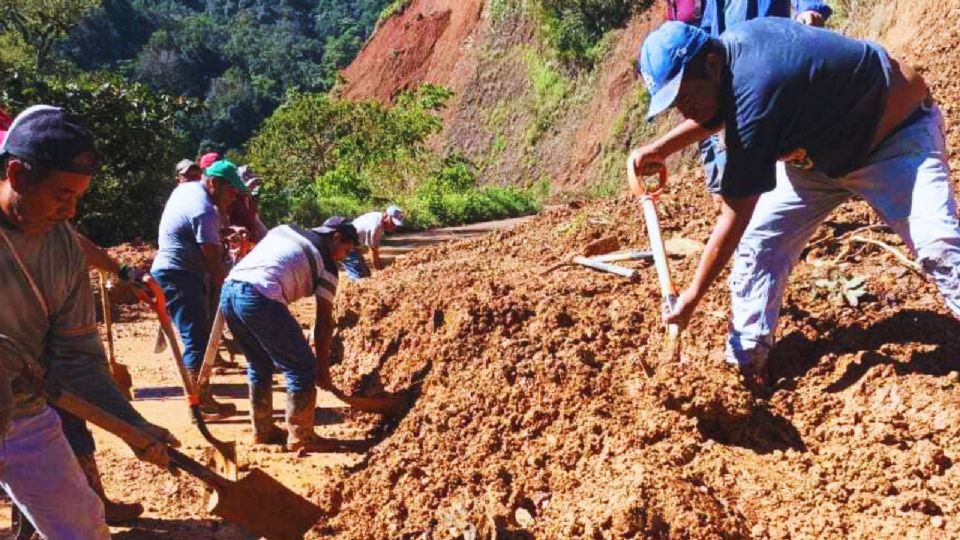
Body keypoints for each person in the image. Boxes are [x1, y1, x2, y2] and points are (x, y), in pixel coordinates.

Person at [630, 20, 948, 386]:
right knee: (761, 245)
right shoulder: (727, 63)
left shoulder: (758, 84)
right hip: (818, 163)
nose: (686, 112)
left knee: (938, 244)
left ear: (711, 65)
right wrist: (661, 149)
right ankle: (747, 366)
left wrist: (691, 297)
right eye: (677, 106)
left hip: (892, 138)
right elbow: (717, 111)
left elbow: (735, 215)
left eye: (686, 98)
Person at [0, 105, 177, 537]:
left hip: (21, 413)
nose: (70, 211)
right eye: (62, 194)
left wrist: (132, 426)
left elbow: (77, 359)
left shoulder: (63, 248)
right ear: (18, 175)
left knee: (82, 526)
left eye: (78, 197)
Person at [662, 0, 832, 196]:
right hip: (731, 83)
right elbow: (709, 29)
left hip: (768, 73)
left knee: (779, 153)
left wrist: (809, 8)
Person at [219, 217, 358, 451]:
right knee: (302, 367)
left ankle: (263, 430)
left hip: (229, 291)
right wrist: (321, 368)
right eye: (346, 249)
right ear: (335, 237)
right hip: (259, 296)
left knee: (259, 363)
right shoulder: (327, 267)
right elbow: (324, 323)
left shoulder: (285, 229)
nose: (345, 256)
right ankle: (302, 437)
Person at [151, 159, 247, 417]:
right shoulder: (204, 209)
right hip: (179, 275)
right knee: (197, 339)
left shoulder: (188, 190)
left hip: (175, 272)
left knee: (197, 336)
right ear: (214, 183)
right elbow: (212, 257)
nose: (233, 198)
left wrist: (222, 231)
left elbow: (192, 230)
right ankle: (199, 404)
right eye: (231, 191)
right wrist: (229, 292)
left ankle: (199, 399)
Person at [344, 205, 404, 281]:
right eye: (392, 223)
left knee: (366, 274)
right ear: (386, 215)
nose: (393, 227)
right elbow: (373, 253)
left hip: (352, 245)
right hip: (345, 244)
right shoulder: (376, 226)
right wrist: (380, 273)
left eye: (395, 225)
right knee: (358, 277)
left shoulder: (378, 217)